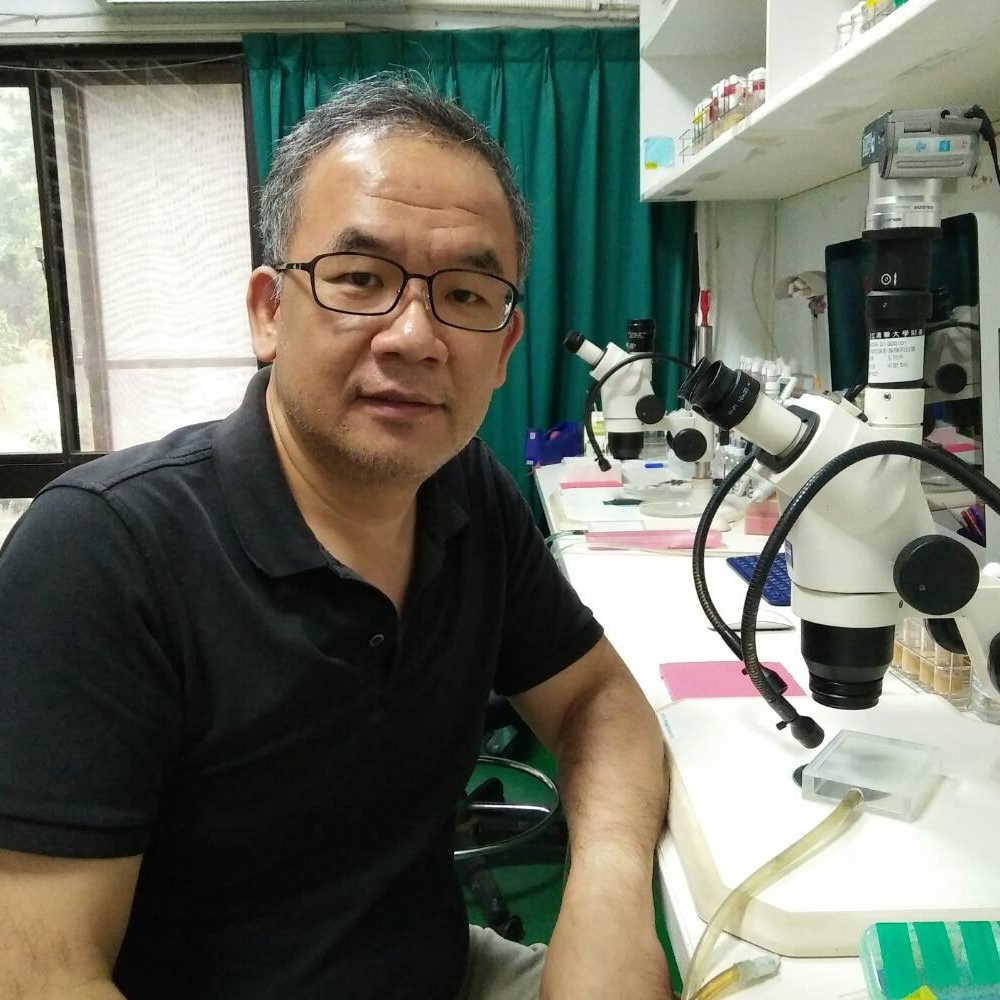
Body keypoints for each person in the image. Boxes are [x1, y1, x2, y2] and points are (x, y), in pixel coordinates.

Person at [0, 75, 670, 1000]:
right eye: (360, 279)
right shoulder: (102, 554)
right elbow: (36, 970)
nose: (415, 335)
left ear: (505, 349)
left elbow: (599, 699)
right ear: (269, 311)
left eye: (466, 293)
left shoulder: (464, 489)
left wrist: (604, 900)